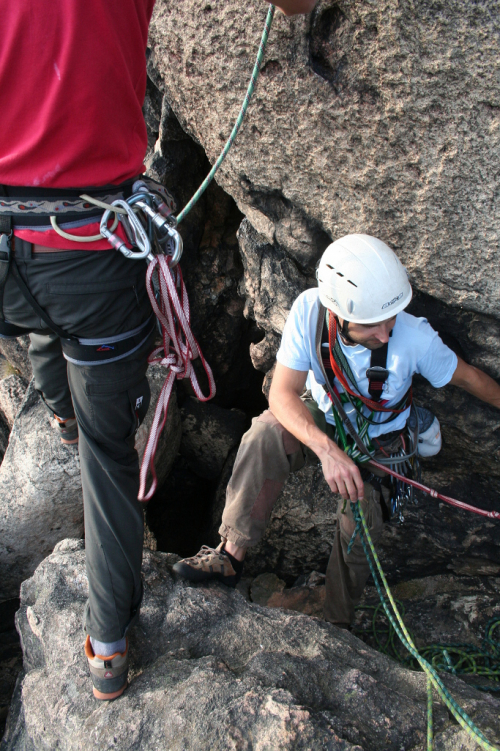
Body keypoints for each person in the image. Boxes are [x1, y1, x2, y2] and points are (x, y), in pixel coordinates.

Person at [0, 0, 319, 701]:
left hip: (11, 251)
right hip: (90, 253)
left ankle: (60, 411)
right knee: (108, 454)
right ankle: (107, 647)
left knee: (37, 321)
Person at [173, 234, 500, 628]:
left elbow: (468, 378)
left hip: (379, 440)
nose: (385, 332)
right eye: (371, 324)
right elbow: (282, 392)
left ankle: (337, 623)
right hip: (324, 417)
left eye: (390, 317)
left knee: (359, 524)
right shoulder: (310, 312)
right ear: (338, 315)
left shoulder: (414, 337)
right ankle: (230, 556)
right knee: (263, 436)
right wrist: (327, 451)